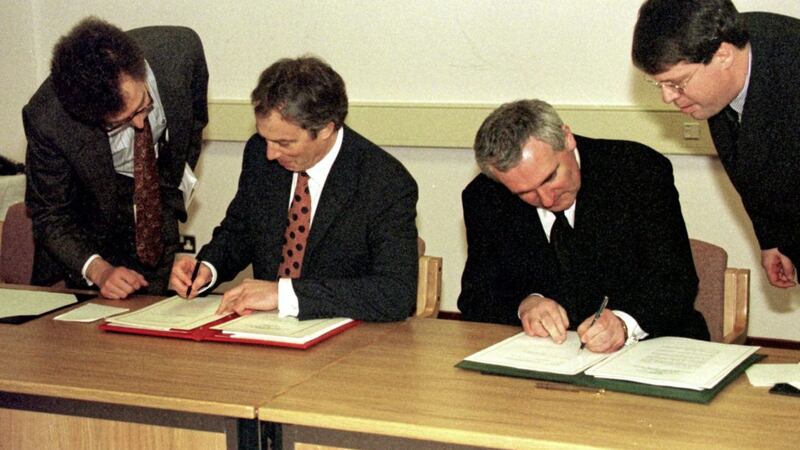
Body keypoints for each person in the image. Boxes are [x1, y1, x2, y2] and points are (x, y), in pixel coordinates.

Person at [170, 56, 418, 322]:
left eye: (284, 143)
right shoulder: (259, 152)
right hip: (263, 330)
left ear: (325, 129)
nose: (270, 153)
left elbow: (395, 293)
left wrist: (284, 294)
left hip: (347, 341)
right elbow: (241, 230)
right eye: (265, 138)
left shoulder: (384, 181)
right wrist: (208, 268)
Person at [458, 99, 708, 353]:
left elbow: (676, 282)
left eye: (550, 178)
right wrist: (526, 304)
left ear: (567, 139)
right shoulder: (485, 197)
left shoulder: (637, 171)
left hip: (653, 347)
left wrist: (623, 323)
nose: (546, 199)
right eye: (525, 193)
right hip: (549, 359)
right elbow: (476, 297)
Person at [23, 17, 208, 299]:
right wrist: (99, 270)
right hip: (88, 225)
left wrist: (164, 193)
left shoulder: (181, 52)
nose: (139, 124)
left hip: (155, 195)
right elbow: (50, 215)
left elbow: (193, 126)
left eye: (143, 106)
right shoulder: (48, 118)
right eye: (120, 122)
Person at [632, 0, 800, 288]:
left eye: (677, 83)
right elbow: (751, 165)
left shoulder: (791, 66)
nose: (668, 98)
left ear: (723, 55)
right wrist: (772, 238)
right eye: (659, 85)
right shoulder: (721, 55)